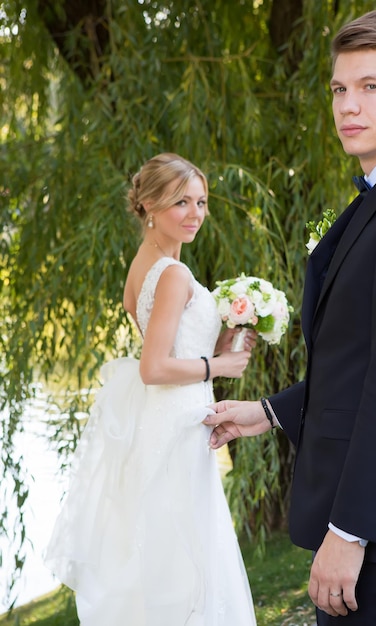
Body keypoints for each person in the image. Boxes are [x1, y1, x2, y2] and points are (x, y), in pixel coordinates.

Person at [203, 10, 376, 626]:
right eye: (339, 89)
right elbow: (358, 364)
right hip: (371, 517)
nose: (348, 104)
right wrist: (268, 412)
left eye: (371, 86)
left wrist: (349, 534)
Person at [45, 152, 257, 626]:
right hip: (177, 422)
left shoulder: (143, 268)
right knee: (185, 547)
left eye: (201, 202)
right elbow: (154, 366)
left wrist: (218, 339)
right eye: (181, 202)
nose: (196, 214)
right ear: (149, 205)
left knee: (164, 545)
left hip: (165, 418)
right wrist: (219, 363)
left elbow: (167, 347)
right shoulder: (174, 273)